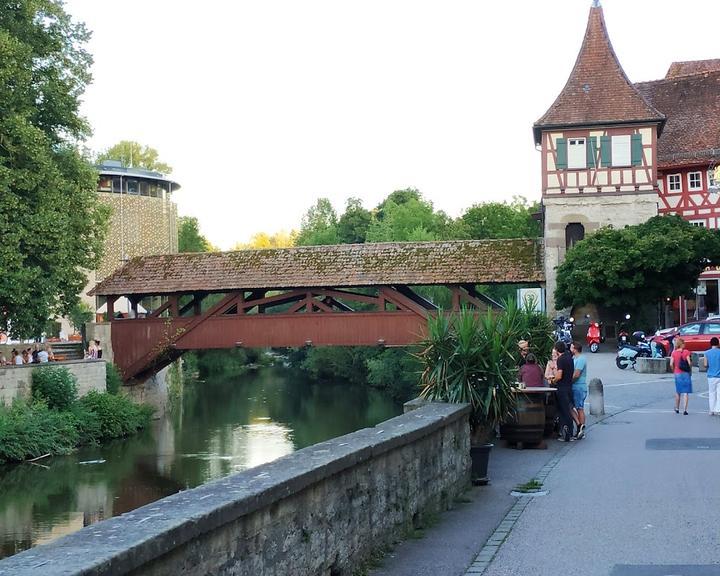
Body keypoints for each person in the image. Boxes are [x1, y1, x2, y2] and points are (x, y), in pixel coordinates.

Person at [549, 341, 575, 441]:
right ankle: (570, 433)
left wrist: (553, 380)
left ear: (556, 349)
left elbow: (559, 375)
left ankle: (566, 435)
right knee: (568, 409)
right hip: (569, 386)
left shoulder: (560, 359)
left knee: (564, 411)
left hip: (562, 388)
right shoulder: (569, 358)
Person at [670, 336, 692, 415]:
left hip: (677, 373)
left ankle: (677, 408)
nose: (685, 344)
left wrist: (674, 370)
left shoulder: (674, 353)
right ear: (681, 344)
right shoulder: (686, 352)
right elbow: (689, 363)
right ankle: (685, 410)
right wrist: (690, 370)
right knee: (686, 392)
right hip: (686, 373)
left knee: (678, 391)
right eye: (684, 343)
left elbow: (671, 364)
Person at [571, 341, 588, 439]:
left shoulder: (581, 359)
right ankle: (579, 426)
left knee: (579, 408)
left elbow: (577, 374)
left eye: (572, 347)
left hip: (579, 386)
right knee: (571, 407)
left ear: (575, 349)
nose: (570, 349)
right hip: (575, 386)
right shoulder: (574, 358)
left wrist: (569, 381)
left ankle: (581, 430)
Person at [703, 336, 720, 415]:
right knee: (719, 393)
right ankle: (718, 409)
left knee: (712, 393)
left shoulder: (707, 353)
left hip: (711, 376)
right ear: (718, 343)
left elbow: (705, 364)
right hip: (719, 376)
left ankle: (711, 410)